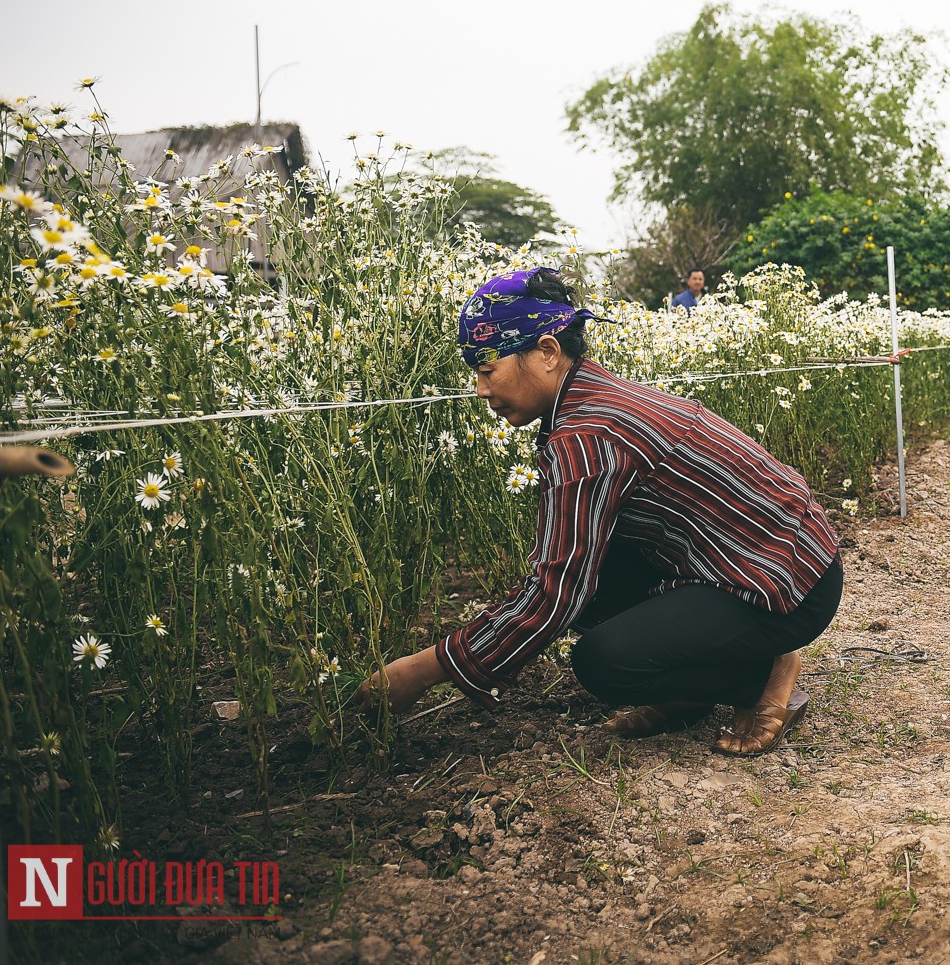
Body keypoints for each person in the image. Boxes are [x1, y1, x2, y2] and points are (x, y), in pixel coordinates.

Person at [356, 266, 841, 756]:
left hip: (784, 582)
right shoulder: (593, 397)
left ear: (546, 352)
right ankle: (689, 692)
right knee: (584, 576)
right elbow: (566, 565)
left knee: (605, 662)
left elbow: (554, 592)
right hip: (765, 558)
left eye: (487, 371)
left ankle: (763, 675)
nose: (481, 390)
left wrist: (421, 670)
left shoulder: (586, 434)